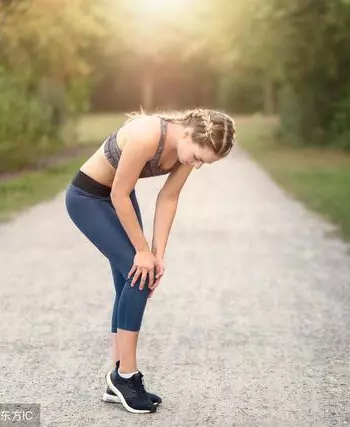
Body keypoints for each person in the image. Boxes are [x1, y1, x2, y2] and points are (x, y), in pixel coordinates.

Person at [64, 108, 236, 414]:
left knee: (136, 278)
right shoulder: (147, 134)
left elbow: (168, 197)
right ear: (187, 133)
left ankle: (117, 381)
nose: (195, 165)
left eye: (203, 163)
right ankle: (126, 376)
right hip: (90, 199)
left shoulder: (186, 151)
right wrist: (143, 252)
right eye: (197, 157)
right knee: (138, 277)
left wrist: (157, 255)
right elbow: (118, 193)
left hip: (119, 199)